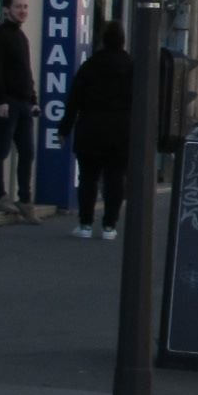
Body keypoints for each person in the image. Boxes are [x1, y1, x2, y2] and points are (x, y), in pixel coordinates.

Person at [60, 22, 132, 240]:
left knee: (88, 178)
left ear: (102, 40)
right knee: (115, 178)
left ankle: (85, 224)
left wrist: (64, 128)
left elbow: (74, 100)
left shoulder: (90, 66)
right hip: (121, 131)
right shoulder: (131, 66)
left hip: (90, 130)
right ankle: (110, 225)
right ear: (122, 40)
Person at [0, 0, 38, 218]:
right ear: (7, 10)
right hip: (8, 102)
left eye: (25, 7)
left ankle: (24, 199)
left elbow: (25, 71)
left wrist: (33, 99)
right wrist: (1, 99)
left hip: (24, 103)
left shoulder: (21, 36)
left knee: (27, 152)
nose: (23, 11)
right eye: (18, 7)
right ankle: (0, 195)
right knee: (1, 150)